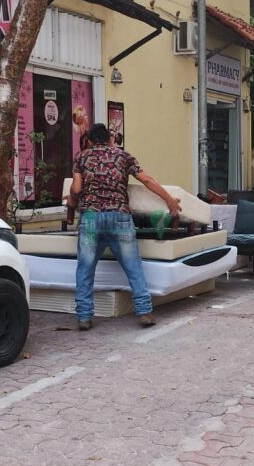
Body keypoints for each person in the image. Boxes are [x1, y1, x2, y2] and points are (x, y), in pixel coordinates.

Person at [69, 123, 181, 330]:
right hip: (119, 216)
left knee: (85, 268)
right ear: (110, 139)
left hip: (91, 218)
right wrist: (170, 200)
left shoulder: (81, 157)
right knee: (133, 266)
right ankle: (144, 312)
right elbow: (146, 179)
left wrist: (71, 202)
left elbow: (76, 188)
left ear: (91, 141)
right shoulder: (124, 156)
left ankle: (84, 317)